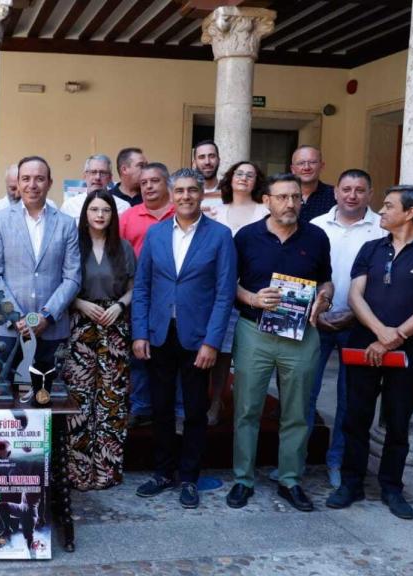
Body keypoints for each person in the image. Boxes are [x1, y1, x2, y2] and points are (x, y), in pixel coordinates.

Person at [326, 185, 413, 520]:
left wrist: (391, 339)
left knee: (398, 422)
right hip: (363, 345)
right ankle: (351, 483)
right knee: (355, 418)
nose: (380, 212)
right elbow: (355, 295)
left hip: (410, 350)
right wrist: (380, 333)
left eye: (388, 206)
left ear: (410, 213)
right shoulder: (371, 248)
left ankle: (392, 487)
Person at [226, 173, 333, 512]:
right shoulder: (246, 237)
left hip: (301, 335)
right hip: (254, 331)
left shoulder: (316, 237)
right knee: (247, 409)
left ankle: (290, 479)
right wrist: (252, 298)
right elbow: (228, 283)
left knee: (297, 411)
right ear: (267, 201)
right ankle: (243, 479)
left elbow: (326, 281)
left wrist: (325, 299)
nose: (290, 203)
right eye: (283, 197)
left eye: (296, 197)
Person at [132, 168, 236, 507]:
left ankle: (189, 477)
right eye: (180, 190)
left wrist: (212, 342)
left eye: (192, 190)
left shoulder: (220, 236)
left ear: (202, 194)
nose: (186, 196)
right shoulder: (156, 234)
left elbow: (224, 294)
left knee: (194, 411)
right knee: (161, 408)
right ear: (171, 194)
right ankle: (163, 472)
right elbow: (142, 287)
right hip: (159, 334)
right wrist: (140, 332)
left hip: (198, 338)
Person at [309, 169, 385, 488]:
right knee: (304, 392)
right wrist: (314, 311)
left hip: (359, 325)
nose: (352, 195)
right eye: (346, 189)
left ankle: (337, 460)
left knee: (349, 397)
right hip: (316, 321)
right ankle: (296, 459)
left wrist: (355, 315)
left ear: (370, 194)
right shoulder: (316, 225)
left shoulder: (382, 228)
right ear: (336, 192)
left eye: (359, 190)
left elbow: (384, 282)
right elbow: (306, 272)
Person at [0, 155, 81, 379]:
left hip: (53, 327)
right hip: (9, 328)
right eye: (26, 178)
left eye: (39, 178)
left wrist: (47, 316)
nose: (32, 185)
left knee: (48, 393)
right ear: (18, 182)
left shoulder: (66, 224)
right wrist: (17, 317)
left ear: (50, 183)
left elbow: (72, 278)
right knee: (5, 392)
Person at [62, 190, 135, 491]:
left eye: (106, 210)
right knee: (79, 399)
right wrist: (79, 303)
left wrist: (120, 306)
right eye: (94, 209)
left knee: (111, 400)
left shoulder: (124, 247)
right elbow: (61, 286)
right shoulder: (73, 246)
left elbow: (134, 286)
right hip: (81, 324)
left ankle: (107, 471)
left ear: (113, 215)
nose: (100, 215)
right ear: (85, 214)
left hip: (114, 325)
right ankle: (78, 472)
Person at [206, 161, 269, 426]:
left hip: (252, 290)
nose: (243, 178)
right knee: (217, 349)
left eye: (250, 175)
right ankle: (214, 401)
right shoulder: (215, 211)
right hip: (217, 290)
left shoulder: (265, 211)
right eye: (239, 173)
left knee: (245, 353)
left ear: (257, 182)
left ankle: (244, 405)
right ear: (230, 179)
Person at [118, 162, 175, 427]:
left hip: (172, 296)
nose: (149, 187)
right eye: (143, 183)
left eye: (154, 181)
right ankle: (141, 406)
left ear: (167, 184)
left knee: (172, 351)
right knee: (139, 351)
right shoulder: (128, 217)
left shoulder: (180, 213)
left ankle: (175, 408)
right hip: (138, 294)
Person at [61, 154, 131, 219]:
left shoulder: (123, 207)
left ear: (110, 178)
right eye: (93, 172)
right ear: (85, 176)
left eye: (103, 173)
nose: (97, 177)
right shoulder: (69, 206)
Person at [291, 145, 336, 223]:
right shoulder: (282, 196)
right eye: (301, 163)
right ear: (293, 169)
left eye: (312, 162)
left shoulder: (335, 195)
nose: (306, 167)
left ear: (322, 166)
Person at [191, 140, 221, 213]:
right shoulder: (186, 194)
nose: (207, 162)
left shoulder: (229, 192)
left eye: (212, 156)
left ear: (219, 161)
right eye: (202, 157)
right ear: (194, 163)